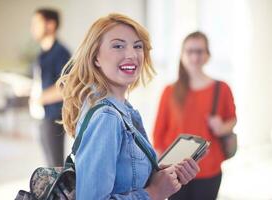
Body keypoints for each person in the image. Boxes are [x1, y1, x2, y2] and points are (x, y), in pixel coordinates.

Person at [57, 13, 202, 199]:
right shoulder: (107, 117)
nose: (132, 54)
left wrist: (160, 177)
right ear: (95, 58)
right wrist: (154, 192)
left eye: (138, 46)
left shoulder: (120, 108)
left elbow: (125, 177)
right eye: (118, 46)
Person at [153, 31, 237, 200]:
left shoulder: (222, 88)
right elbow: (158, 133)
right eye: (189, 51)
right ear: (182, 55)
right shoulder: (170, 91)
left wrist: (222, 127)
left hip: (209, 169)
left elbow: (232, 119)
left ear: (207, 55)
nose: (194, 57)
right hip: (175, 170)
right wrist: (160, 171)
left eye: (199, 51)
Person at [30, 8, 71, 167]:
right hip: (42, 115)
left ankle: (59, 193)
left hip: (54, 117)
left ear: (50, 25)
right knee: (48, 165)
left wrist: (39, 98)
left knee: (55, 166)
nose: (32, 28)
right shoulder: (42, 54)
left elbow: (66, 87)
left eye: (36, 23)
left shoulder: (61, 53)